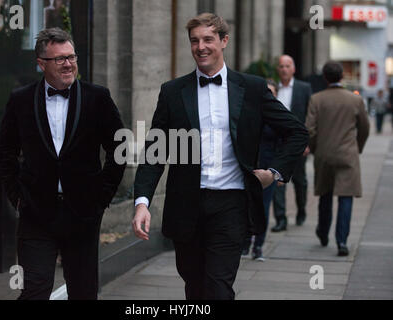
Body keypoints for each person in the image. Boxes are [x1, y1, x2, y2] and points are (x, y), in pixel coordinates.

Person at [132, 13, 308, 300]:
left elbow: (297, 132)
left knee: (218, 287)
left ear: (224, 41)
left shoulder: (251, 88)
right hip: (187, 202)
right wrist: (142, 202)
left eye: (208, 39)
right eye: (194, 41)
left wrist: (273, 172)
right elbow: (155, 152)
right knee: (194, 286)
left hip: (232, 203)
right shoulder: (173, 92)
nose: (200, 47)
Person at [0, 28, 126, 299]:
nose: (68, 64)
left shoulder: (97, 97)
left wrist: (101, 196)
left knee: (83, 291)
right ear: (41, 63)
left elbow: (119, 147)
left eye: (71, 57)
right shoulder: (21, 99)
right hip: (36, 212)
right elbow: (6, 151)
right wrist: (17, 196)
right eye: (60, 59)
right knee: (35, 290)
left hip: (83, 212)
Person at [306, 61, 370, 257]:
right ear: (342, 76)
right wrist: (357, 147)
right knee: (346, 197)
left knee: (325, 195)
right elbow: (364, 128)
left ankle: (323, 232)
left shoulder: (316, 99)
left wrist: (316, 148)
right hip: (347, 155)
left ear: (325, 77)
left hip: (324, 154)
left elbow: (309, 129)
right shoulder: (355, 100)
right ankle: (342, 240)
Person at [271, 55, 312, 232]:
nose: (284, 69)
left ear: (293, 69)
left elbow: (310, 117)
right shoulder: (272, 89)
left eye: (287, 66)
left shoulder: (304, 88)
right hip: (276, 142)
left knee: (300, 181)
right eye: (281, 66)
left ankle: (301, 210)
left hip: (297, 143)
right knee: (277, 180)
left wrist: (307, 142)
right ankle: (281, 219)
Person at [243, 79, 280, 261]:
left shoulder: (279, 118)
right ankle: (245, 242)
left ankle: (258, 245)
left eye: (271, 93)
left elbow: (283, 145)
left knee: (263, 208)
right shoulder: (250, 114)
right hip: (249, 168)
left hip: (268, 170)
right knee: (246, 206)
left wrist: (279, 172)